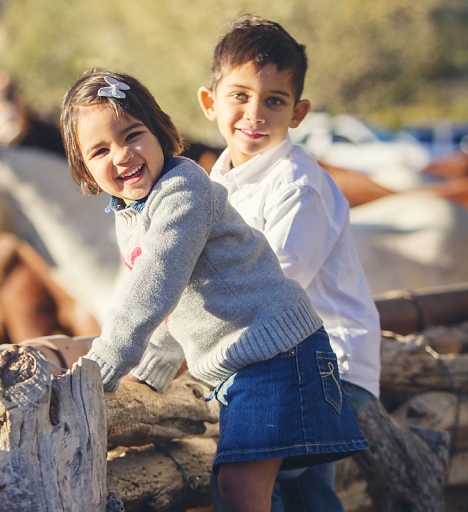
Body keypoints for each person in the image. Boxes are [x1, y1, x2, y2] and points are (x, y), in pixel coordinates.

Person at [60, 69, 368, 512]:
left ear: (161, 132)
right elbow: (174, 300)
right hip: (256, 362)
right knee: (283, 494)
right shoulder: (132, 212)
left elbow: (156, 282)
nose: (122, 154)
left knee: (240, 489)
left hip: (277, 357)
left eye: (133, 135)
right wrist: (153, 369)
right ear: (85, 169)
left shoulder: (184, 189)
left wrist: (103, 363)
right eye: (101, 149)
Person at [197, 15, 381, 511]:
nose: (254, 113)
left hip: (326, 366)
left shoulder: (298, 186)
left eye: (273, 100)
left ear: (297, 112)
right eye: (239, 95)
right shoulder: (216, 183)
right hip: (282, 362)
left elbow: (274, 291)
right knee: (301, 492)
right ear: (209, 101)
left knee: (247, 479)